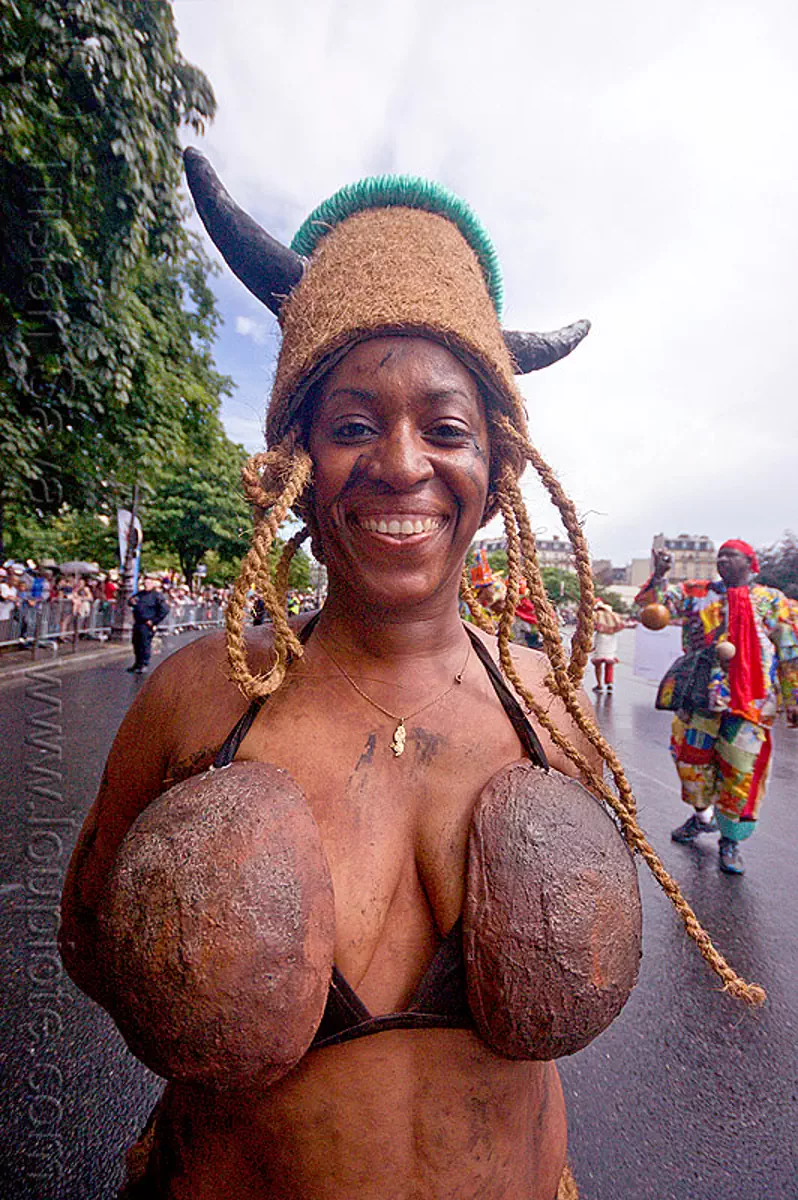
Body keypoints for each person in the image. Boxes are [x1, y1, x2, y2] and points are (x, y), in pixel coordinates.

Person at [60, 154, 761, 1200]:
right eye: (351, 424)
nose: (400, 463)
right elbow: (86, 939)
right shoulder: (205, 698)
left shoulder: (550, 712)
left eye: (446, 428)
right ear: (296, 456)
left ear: (499, 471)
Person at [636, 540, 798, 874]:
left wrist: (794, 697)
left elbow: (790, 651)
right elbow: (654, 611)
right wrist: (660, 575)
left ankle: (730, 841)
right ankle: (701, 817)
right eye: (720, 555)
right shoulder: (696, 593)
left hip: (751, 704)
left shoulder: (772, 601)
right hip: (699, 695)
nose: (723, 560)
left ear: (751, 563)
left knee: (739, 771)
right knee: (688, 760)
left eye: (731, 555)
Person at [127, 574, 170, 675]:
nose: (146, 585)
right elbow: (131, 601)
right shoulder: (140, 594)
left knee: (144, 644)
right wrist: (130, 601)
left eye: (149, 583)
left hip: (147, 624)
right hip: (138, 622)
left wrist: (154, 621)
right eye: (145, 583)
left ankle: (144, 664)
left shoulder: (157, 596)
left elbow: (164, 610)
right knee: (136, 643)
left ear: (153, 584)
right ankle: (137, 663)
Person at [591, 598, 624, 694]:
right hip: (612, 639)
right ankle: (609, 683)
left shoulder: (596, 614)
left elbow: (592, 625)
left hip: (601, 638)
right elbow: (620, 625)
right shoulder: (613, 615)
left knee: (598, 663)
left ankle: (599, 684)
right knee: (609, 662)